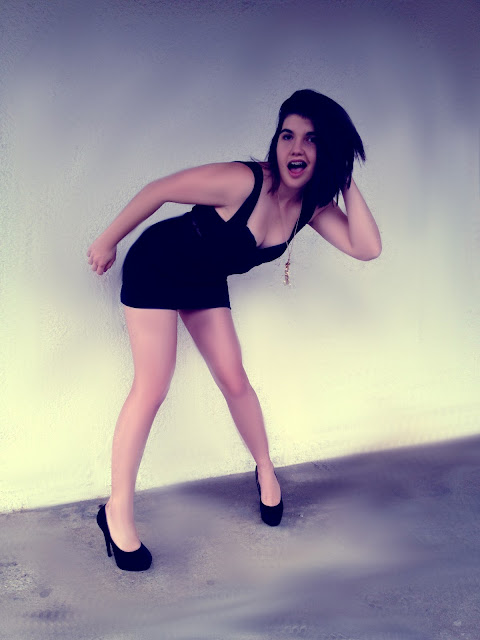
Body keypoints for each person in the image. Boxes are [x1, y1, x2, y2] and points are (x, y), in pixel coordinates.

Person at [87, 89, 382, 571]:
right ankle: (116, 511)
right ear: (275, 141)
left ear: (326, 150)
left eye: (311, 139)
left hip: (204, 280)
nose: (295, 148)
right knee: (152, 387)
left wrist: (345, 178)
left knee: (234, 378)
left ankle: (266, 471)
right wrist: (107, 241)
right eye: (287, 135)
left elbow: (366, 247)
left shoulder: (311, 207)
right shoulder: (243, 181)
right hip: (157, 265)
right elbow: (159, 189)